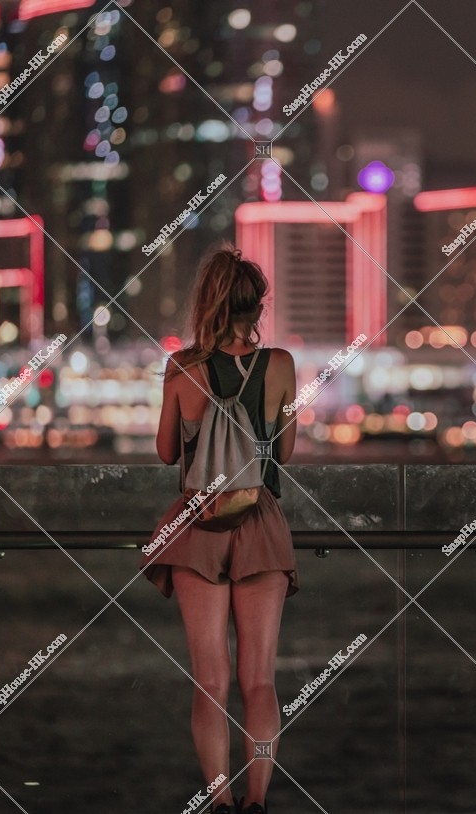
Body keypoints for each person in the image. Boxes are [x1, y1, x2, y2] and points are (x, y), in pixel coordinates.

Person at [141, 244, 299, 814]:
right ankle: (257, 802)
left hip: (198, 527)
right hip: (260, 523)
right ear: (257, 308)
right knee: (259, 679)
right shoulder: (279, 365)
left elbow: (165, 454)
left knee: (211, 678)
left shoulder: (181, 367)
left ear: (207, 302)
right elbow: (283, 451)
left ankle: (219, 803)